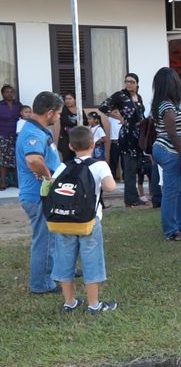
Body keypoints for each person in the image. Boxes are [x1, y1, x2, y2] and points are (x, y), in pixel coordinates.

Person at [50, 126, 117, 313]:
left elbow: (51, 188)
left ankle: (69, 302)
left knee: (64, 259)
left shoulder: (63, 166)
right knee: (91, 259)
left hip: (64, 221)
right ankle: (94, 304)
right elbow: (111, 187)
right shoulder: (99, 165)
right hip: (88, 222)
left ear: (71, 146)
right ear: (93, 144)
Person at [16, 91, 63, 294]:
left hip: (44, 194)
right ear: (50, 113)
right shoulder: (33, 133)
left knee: (52, 236)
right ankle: (41, 284)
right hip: (37, 196)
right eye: (59, 113)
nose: (60, 116)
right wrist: (48, 177)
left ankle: (53, 271)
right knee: (44, 239)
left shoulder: (39, 130)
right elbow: (33, 160)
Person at [151, 67, 181, 241]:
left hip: (166, 149)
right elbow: (172, 134)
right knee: (171, 191)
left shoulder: (163, 103)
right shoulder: (167, 106)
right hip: (170, 150)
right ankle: (171, 231)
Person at [98, 73, 146, 207]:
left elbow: (140, 114)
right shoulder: (120, 95)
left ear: (137, 84)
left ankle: (135, 196)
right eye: (127, 81)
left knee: (138, 166)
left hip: (139, 135)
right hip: (128, 135)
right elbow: (103, 107)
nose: (129, 84)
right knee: (129, 167)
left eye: (132, 82)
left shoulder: (139, 97)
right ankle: (131, 199)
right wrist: (119, 117)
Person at [0, 84, 22, 189]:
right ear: (2, 94)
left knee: (16, 157)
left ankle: (16, 181)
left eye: (11, 92)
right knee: (3, 159)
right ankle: (3, 182)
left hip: (17, 134)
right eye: (7, 92)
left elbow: (24, 117)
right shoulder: (0, 105)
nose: (9, 94)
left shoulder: (18, 104)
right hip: (3, 134)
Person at [57, 92, 88, 162]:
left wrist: (75, 124)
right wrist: (78, 124)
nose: (67, 101)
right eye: (66, 99)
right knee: (67, 161)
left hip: (78, 139)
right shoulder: (63, 109)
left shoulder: (79, 109)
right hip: (66, 139)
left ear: (75, 100)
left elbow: (85, 121)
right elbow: (65, 122)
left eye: (70, 98)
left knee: (78, 160)